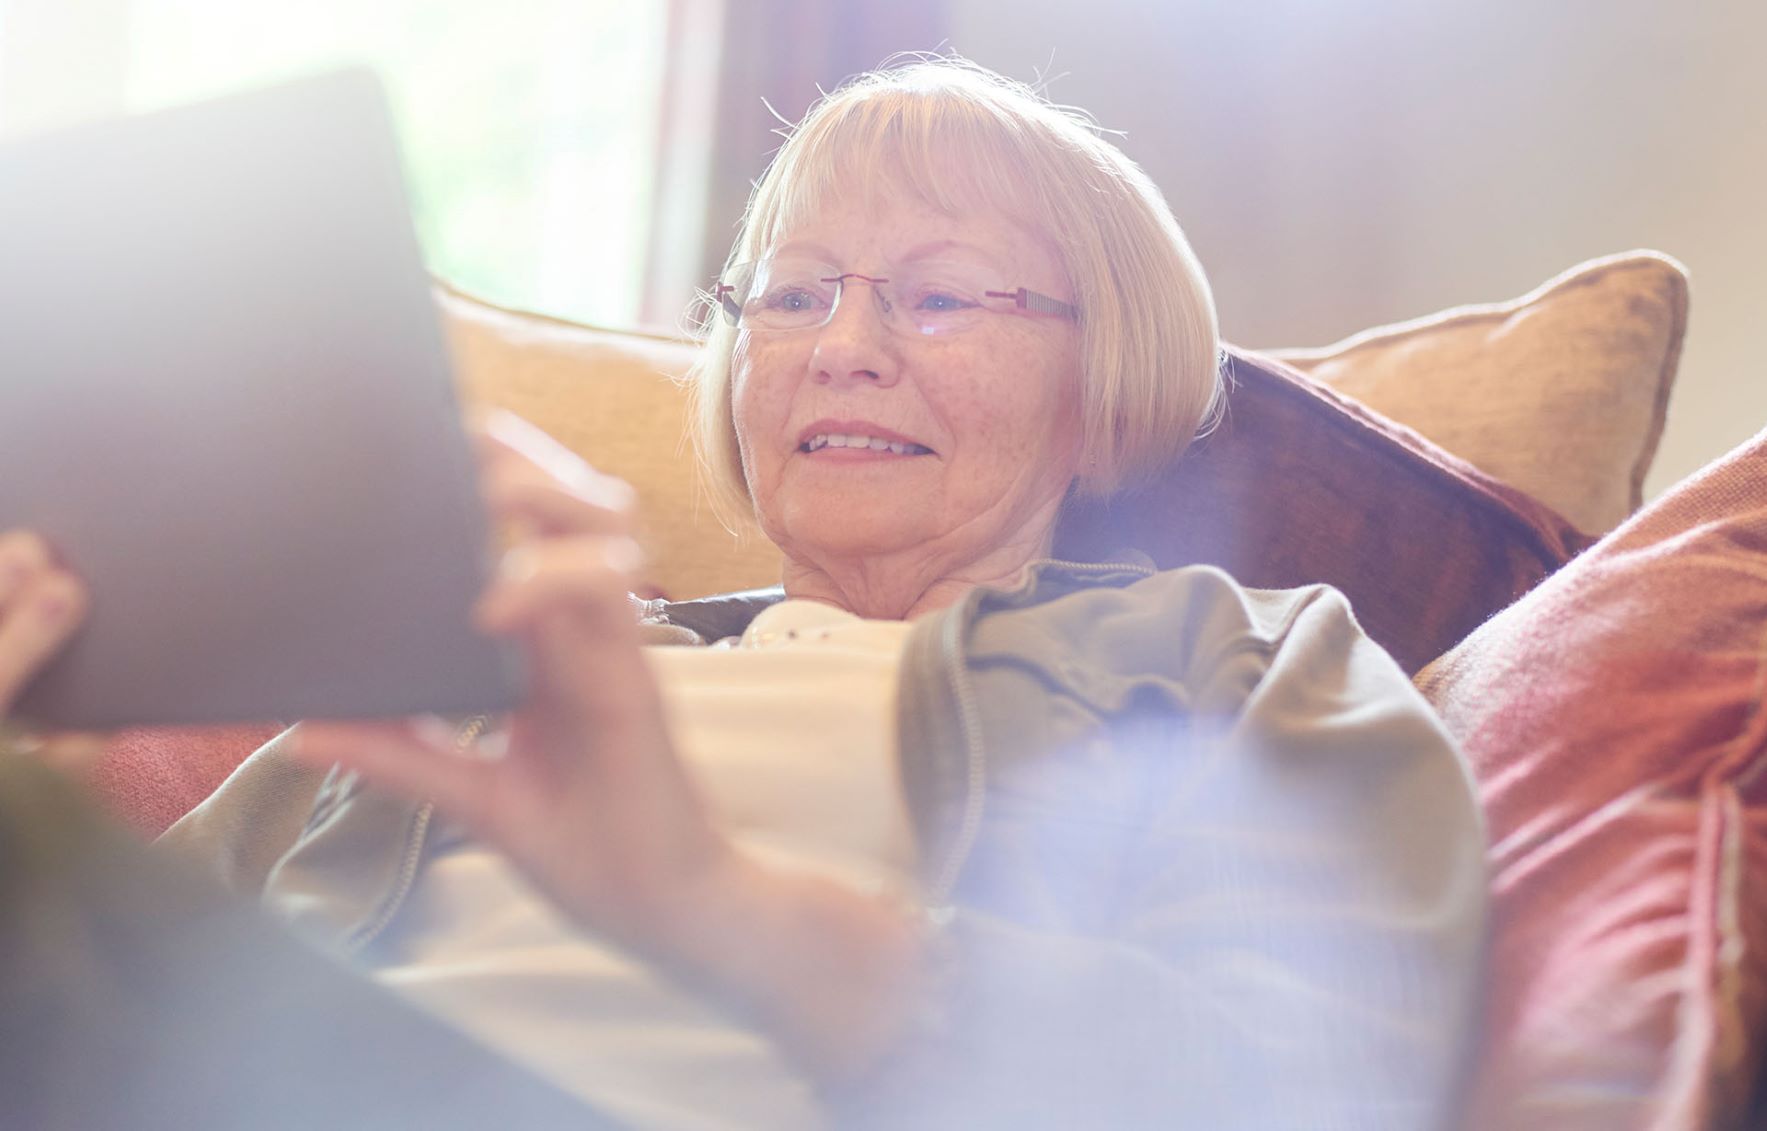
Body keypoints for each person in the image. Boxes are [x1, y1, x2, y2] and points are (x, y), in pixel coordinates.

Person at [0, 58, 1484, 1129]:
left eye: (938, 291)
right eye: (791, 291)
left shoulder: (1234, 660)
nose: (838, 345)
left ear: (1101, 387)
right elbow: (112, 990)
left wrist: (713, 904)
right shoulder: (512, 659)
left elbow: (1297, 1074)